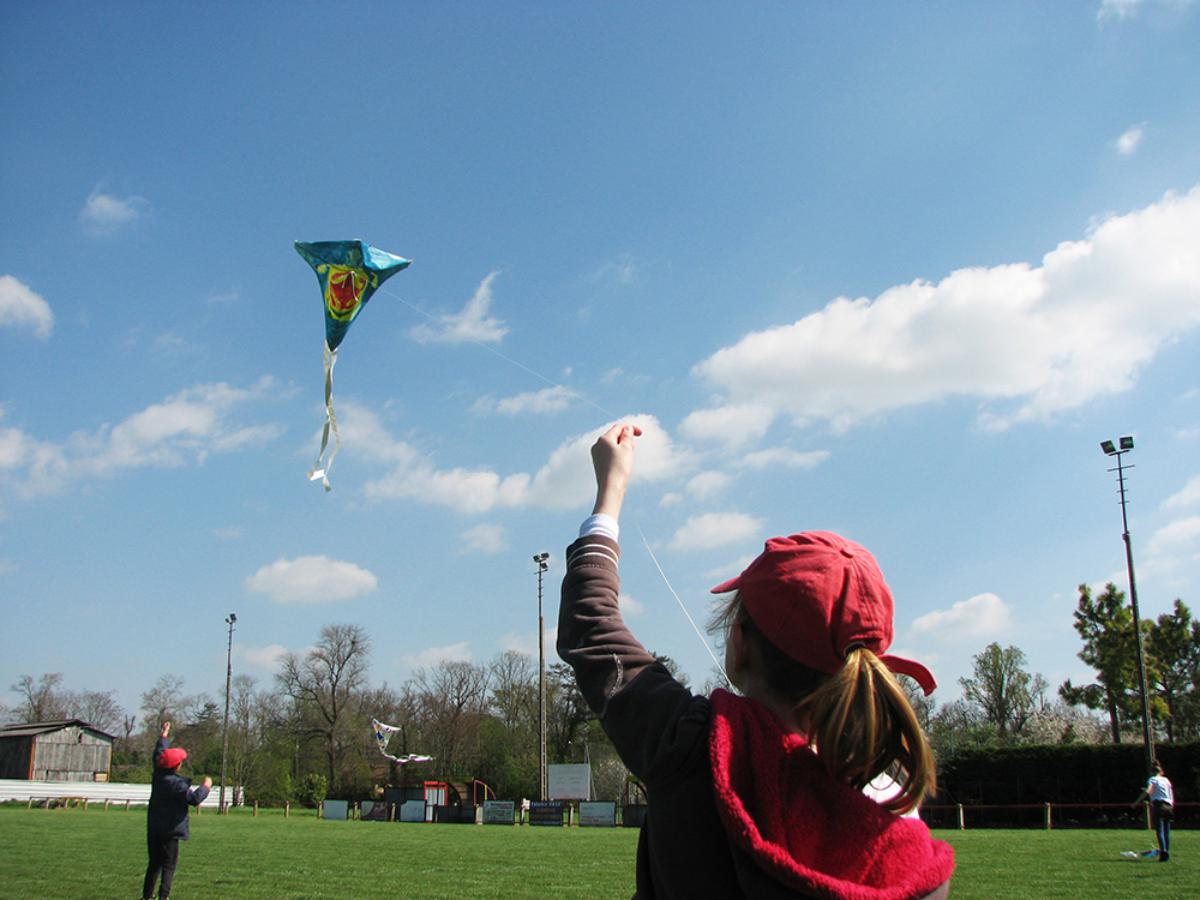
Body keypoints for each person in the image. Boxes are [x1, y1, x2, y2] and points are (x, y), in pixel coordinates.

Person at [558, 423, 954, 898]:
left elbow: (591, 623)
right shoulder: (895, 811)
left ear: (740, 645)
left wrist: (610, 494)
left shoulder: (689, 743)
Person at [142, 721, 212, 900]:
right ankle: (163, 897)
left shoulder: (158, 774)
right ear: (176, 766)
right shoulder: (176, 784)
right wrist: (206, 786)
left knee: (154, 864)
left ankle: (146, 897)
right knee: (169, 866)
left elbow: (158, 753)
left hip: (154, 829)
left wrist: (164, 735)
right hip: (171, 832)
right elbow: (194, 799)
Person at [1133, 760, 1174, 861]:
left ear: (1152, 771)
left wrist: (1136, 802)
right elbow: (1170, 793)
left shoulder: (1152, 780)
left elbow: (1148, 791)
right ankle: (1167, 851)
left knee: (1159, 831)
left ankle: (1163, 852)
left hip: (1159, 806)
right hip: (1169, 806)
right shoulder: (1166, 780)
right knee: (1167, 831)